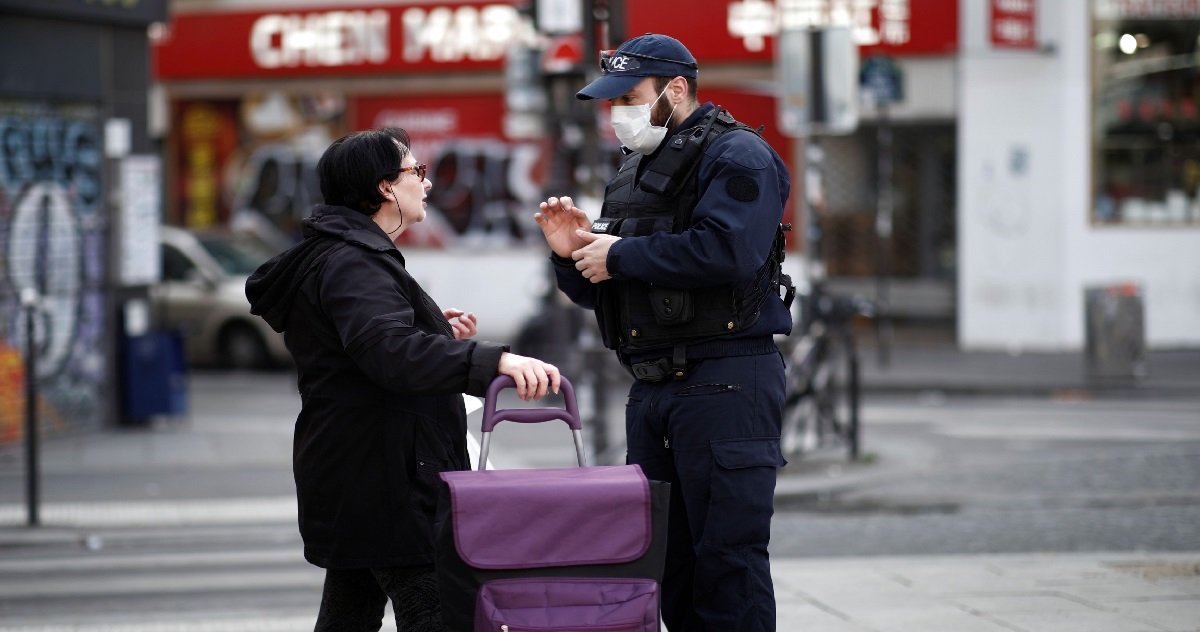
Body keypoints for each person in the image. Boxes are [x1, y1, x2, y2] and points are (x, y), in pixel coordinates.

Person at [246, 127, 559, 631]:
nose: (427, 184)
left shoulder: (343, 254)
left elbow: (366, 346)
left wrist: (434, 330)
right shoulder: (355, 262)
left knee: (349, 617)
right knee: (439, 613)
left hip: (362, 474)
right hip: (389, 481)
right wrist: (492, 361)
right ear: (385, 187)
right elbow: (389, 352)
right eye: (417, 171)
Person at [534, 33, 793, 631]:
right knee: (664, 564)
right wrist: (570, 255)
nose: (616, 112)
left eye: (630, 96)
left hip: (724, 381)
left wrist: (620, 254)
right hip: (653, 389)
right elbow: (607, 286)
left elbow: (728, 249)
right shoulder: (636, 167)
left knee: (727, 564)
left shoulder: (737, 155)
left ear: (676, 90)